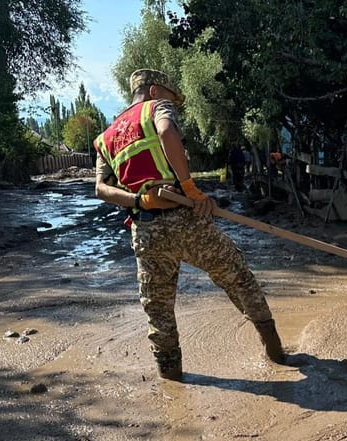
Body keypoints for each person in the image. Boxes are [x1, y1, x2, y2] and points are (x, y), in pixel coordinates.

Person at [93, 69, 285, 381]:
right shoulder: (157, 107)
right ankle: (277, 354)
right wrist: (191, 188)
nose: (175, 105)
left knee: (158, 307)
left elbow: (100, 189)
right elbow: (168, 132)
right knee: (237, 277)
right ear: (155, 90)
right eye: (172, 98)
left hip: (145, 230)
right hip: (186, 221)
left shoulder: (105, 137)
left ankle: (170, 378)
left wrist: (140, 202)